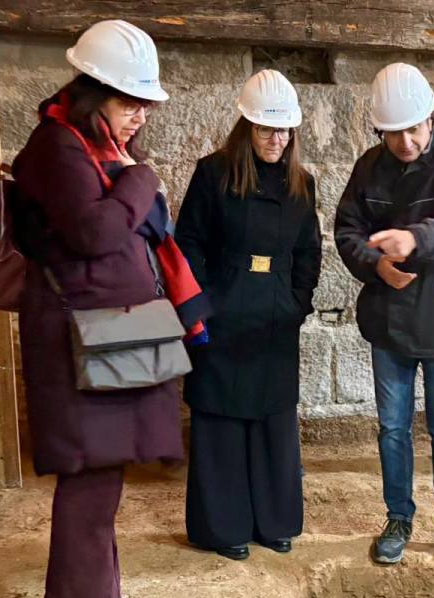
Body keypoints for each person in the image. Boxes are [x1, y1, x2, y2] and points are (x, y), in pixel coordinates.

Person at [12, 19, 177, 598]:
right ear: (91, 92)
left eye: (143, 104)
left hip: (99, 333)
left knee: (103, 474)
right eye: (128, 102)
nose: (137, 116)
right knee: (87, 474)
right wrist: (143, 179)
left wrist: (133, 177)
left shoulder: (86, 146)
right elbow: (95, 234)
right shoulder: (58, 148)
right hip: (75, 339)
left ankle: (100, 594)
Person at [334, 62, 434, 565]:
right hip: (388, 318)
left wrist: (414, 238)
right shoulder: (368, 167)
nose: (404, 142)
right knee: (393, 427)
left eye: (413, 129)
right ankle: (398, 516)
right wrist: (377, 266)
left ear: (431, 117)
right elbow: (346, 231)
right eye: (393, 132)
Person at [175, 69, 321, 561]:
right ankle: (224, 527)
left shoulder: (303, 183)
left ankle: (274, 522)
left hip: (277, 315)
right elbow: (188, 242)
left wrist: (299, 302)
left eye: (284, 130)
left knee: (272, 418)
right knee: (220, 419)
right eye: (266, 129)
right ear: (246, 127)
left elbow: (309, 251)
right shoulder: (212, 173)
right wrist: (202, 302)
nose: (276, 139)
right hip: (223, 306)